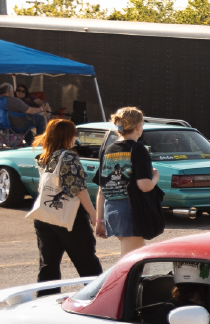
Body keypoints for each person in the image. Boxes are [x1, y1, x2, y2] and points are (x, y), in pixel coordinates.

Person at [29, 119, 101, 289]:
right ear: (66, 135)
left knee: (48, 264)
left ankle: (45, 300)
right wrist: (93, 213)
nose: (75, 137)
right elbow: (78, 188)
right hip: (69, 217)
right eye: (74, 134)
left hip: (45, 215)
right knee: (87, 262)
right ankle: (98, 297)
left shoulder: (44, 155)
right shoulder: (68, 156)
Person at [93, 106, 159, 255]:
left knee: (141, 257)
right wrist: (155, 177)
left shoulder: (108, 149)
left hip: (112, 211)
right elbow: (144, 185)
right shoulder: (138, 149)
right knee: (130, 262)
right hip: (131, 210)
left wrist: (99, 221)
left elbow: (101, 189)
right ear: (138, 126)